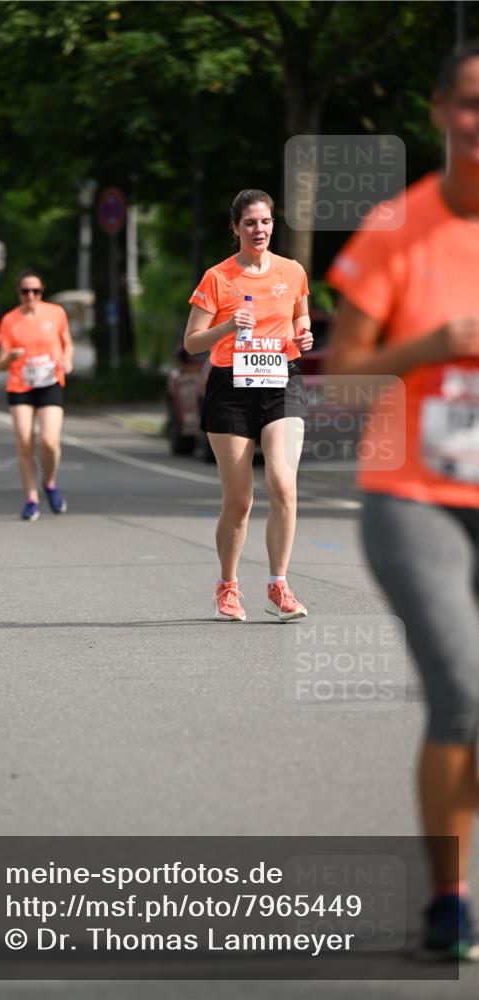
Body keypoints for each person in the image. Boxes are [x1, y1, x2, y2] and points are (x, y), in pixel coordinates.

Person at [326, 40, 479, 960]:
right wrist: (431, 345)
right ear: (436, 111)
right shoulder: (396, 228)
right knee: (462, 693)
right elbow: (339, 379)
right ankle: (448, 899)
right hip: (414, 494)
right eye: (467, 102)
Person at [184, 189, 314, 621]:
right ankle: (228, 585)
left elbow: (301, 315)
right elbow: (191, 343)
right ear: (236, 228)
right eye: (250, 223)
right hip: (232, 387)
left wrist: (304, 333)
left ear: (274, 224)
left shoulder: (292, 270)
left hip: (282, 380)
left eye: (266, 222)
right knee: (239, 501)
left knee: (283, 484)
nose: (259, 230)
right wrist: (226, 326)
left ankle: (279, 585)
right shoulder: (217, 278)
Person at [0, 268, 74, 521]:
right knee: (24, 441)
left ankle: (49, 483)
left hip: (49, 382)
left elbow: (67, 342)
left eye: (36, 291)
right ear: (18, 293)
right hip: (20, 385)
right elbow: (0, 364)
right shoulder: (9, 320)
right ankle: (31, 498)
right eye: (25, 291)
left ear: (42, 292)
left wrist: (67, 359)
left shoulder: (56, 313)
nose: (31, 295)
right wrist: (9, 358)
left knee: (50, 441)